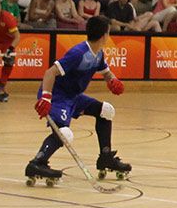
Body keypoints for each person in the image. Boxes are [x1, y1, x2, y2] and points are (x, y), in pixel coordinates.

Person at [25, 15, 129, 185]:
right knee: (64, 133)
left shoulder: (98, 54)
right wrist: (46, 97)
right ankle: (37, 163)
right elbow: (50, 73)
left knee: (106, 111)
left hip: (74, 97)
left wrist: (113, 81)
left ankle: (105, 157)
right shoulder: (79, 53)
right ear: (104, 35)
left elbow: (106, 72)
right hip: (58, 97)